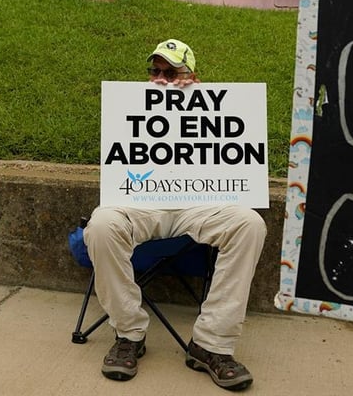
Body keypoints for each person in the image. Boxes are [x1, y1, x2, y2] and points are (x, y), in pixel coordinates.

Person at [83, 38, 267, 391]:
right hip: (141, 201)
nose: (161, 78)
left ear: (191, 74)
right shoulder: (130, 104)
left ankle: (211, 344)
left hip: (198, 201)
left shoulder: (213, 104)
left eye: (172, 71)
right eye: (155, 70)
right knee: (101, 226)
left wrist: (195, 97)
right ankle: (129, 335)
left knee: (249, 223)